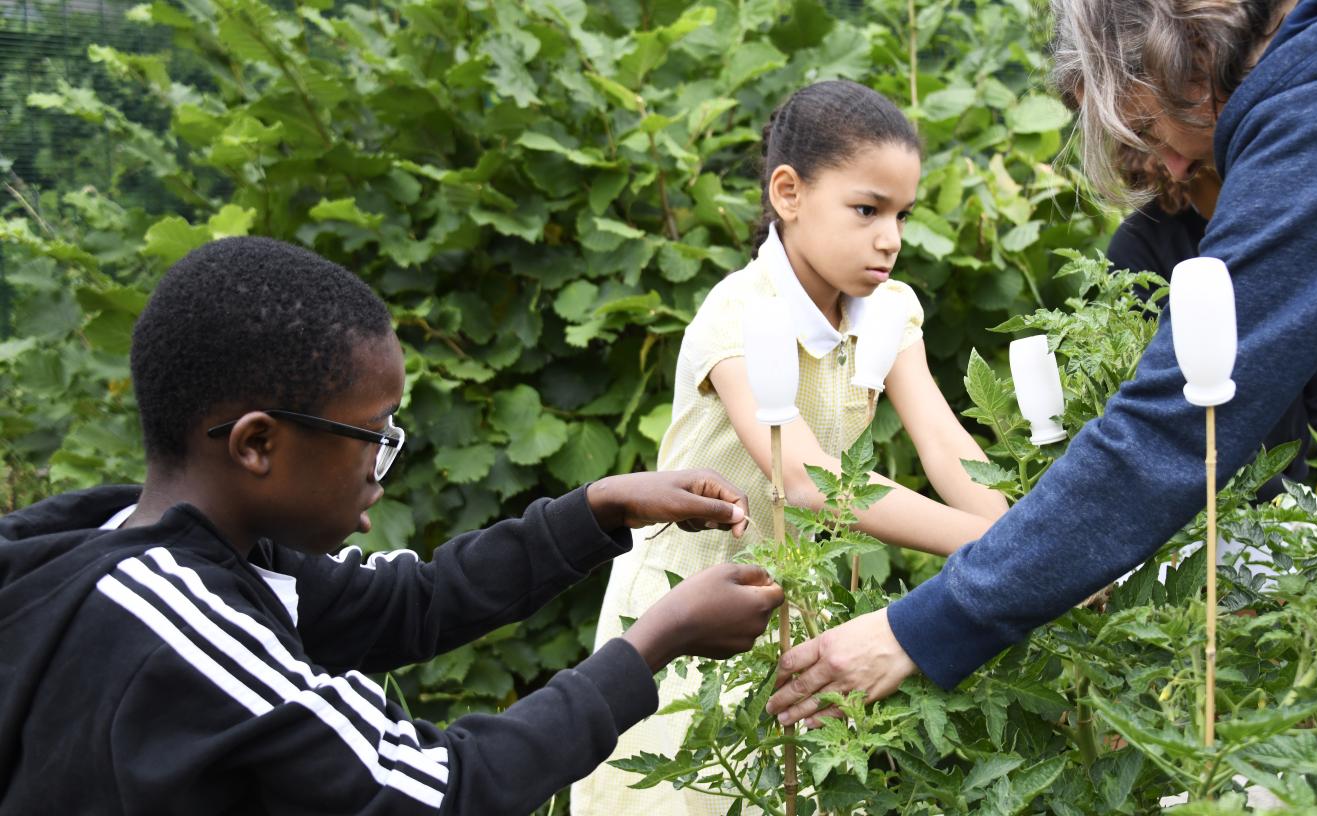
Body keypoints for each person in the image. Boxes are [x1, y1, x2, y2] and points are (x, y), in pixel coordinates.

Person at [765, 0, 1317, 727]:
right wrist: (1027, 552)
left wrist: (931, 619)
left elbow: (1174, 425)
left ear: (1185, 48)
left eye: (1148, 128)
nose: (1172, 166)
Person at [0, 237, 786, 815]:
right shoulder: (182, 629)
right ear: (258, 443)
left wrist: (599, 508)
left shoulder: (147, 539)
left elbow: (409, 603)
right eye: (372, 437)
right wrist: (653, 643)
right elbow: (441, 788)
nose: (385, 463)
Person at [571, 80, 1009, 814]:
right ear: (788, 192)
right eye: (867, 209)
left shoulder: (891, 310)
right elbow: (805, 479)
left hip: (799, 601)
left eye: (902, 214)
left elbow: (941, 441)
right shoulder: (738, 314)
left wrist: (1017, 532)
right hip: (687, 609)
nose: (890, 237)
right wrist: (1001, 552)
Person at [1106, 154, 1317, 501]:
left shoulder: (1307, 220)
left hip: (1288, 508)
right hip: (1196, 514)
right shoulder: (1142, 248)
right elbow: (1176, 417)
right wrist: (1289, 511)